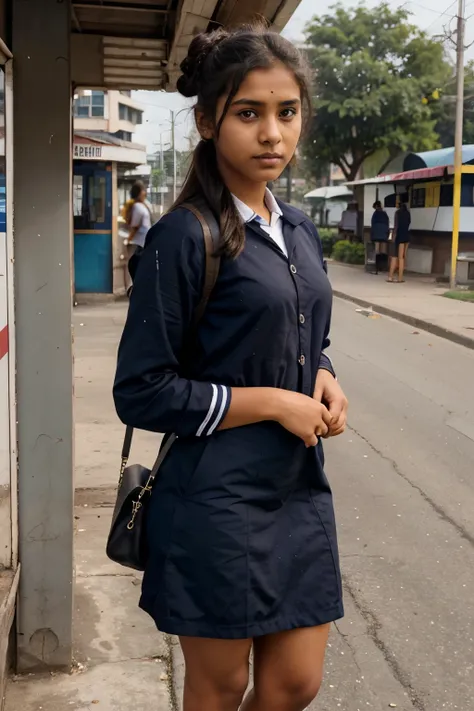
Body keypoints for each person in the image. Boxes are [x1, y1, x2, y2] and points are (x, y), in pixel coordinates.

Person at [113, 24, 348, 711]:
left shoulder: (300, 228)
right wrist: (275, 402)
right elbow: (142, 389)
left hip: (298, 489)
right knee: (220, 688)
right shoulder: (183, 236)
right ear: (209, 120)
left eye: (287, 112)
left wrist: (324, 371)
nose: (272, 133)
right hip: (214, 500)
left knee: (294, 684)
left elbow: (301, 330)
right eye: (250, 113)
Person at [123, 181, 152, 294]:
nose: (145, 192)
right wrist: (128, 240)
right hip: (137, 242)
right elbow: (134, 226)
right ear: (139, 193)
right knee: (133, 266)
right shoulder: (137, 206)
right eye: (143, 190)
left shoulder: (141, 205)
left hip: (141, 241)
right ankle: (131, 289)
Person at [388, 202, 411, 283]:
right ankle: (400, 278)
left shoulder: (397, 213)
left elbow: (396, 226)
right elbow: (408, 223)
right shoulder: (408, 213)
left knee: (395, 257)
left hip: (399, 237)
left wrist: (393, 237)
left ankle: (391, 277)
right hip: (406, 236)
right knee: (402, 258)